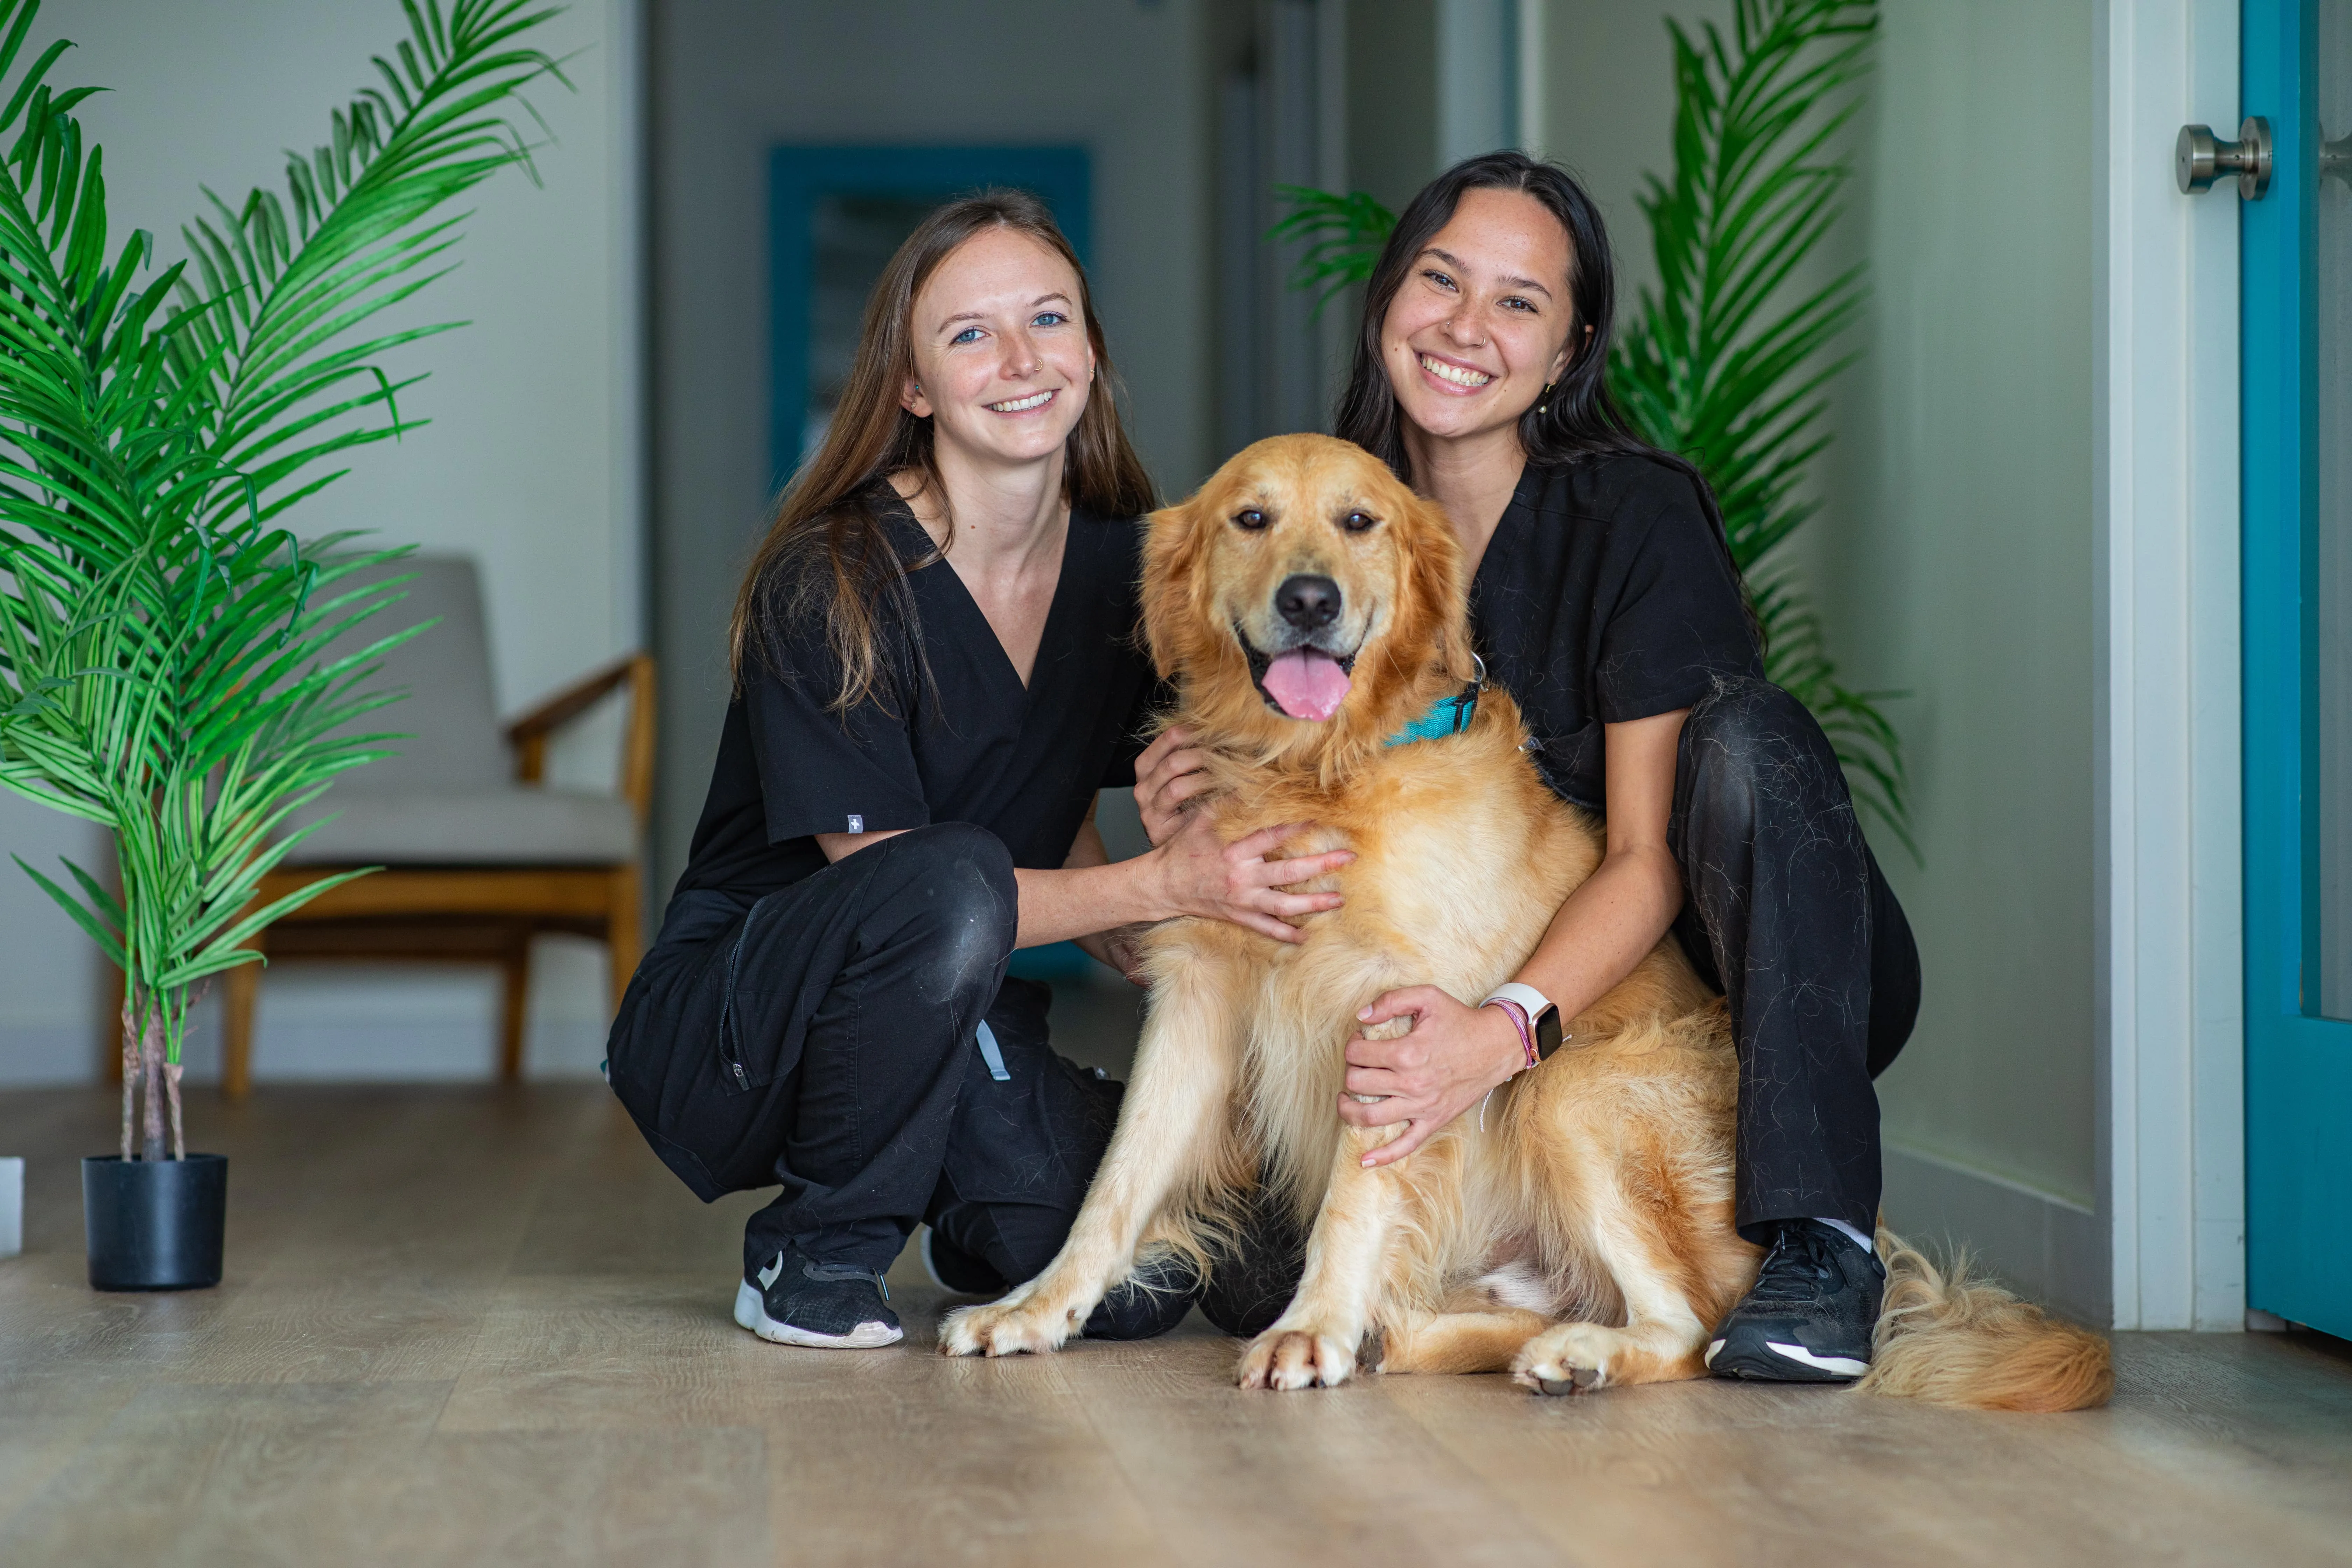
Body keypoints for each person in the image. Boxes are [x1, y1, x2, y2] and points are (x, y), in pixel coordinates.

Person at [1133, 151, 1922, 1382]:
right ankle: (1497, 1297)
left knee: (1749, 741)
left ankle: (1819, 1240)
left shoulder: (1635, 515)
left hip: (1719, 982)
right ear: (1389, 298)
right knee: (1247, 1289)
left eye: (1519, 303)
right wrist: (1195, 791)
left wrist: (1501, 1033)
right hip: (1448, 991)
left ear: (1569, 352)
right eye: (1440, 281)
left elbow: (1647, 856)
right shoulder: (1328, 507)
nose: (1464, 328)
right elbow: (1247, 723)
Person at [604, 191, 1356, 1349]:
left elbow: (1068, 825)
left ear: (1091, 351)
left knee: (1150, 1286)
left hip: (964, 1012)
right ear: (911, 385)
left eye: (1049, 319)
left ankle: (972, 1199)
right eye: (970, 334)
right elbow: (899, 882)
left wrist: (1213, 912)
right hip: (743, 1024)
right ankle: (818, 1246)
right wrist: (1169, 886)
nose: (1021, 360)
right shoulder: (833, 575)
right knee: (946, 877)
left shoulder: (1133, 564)